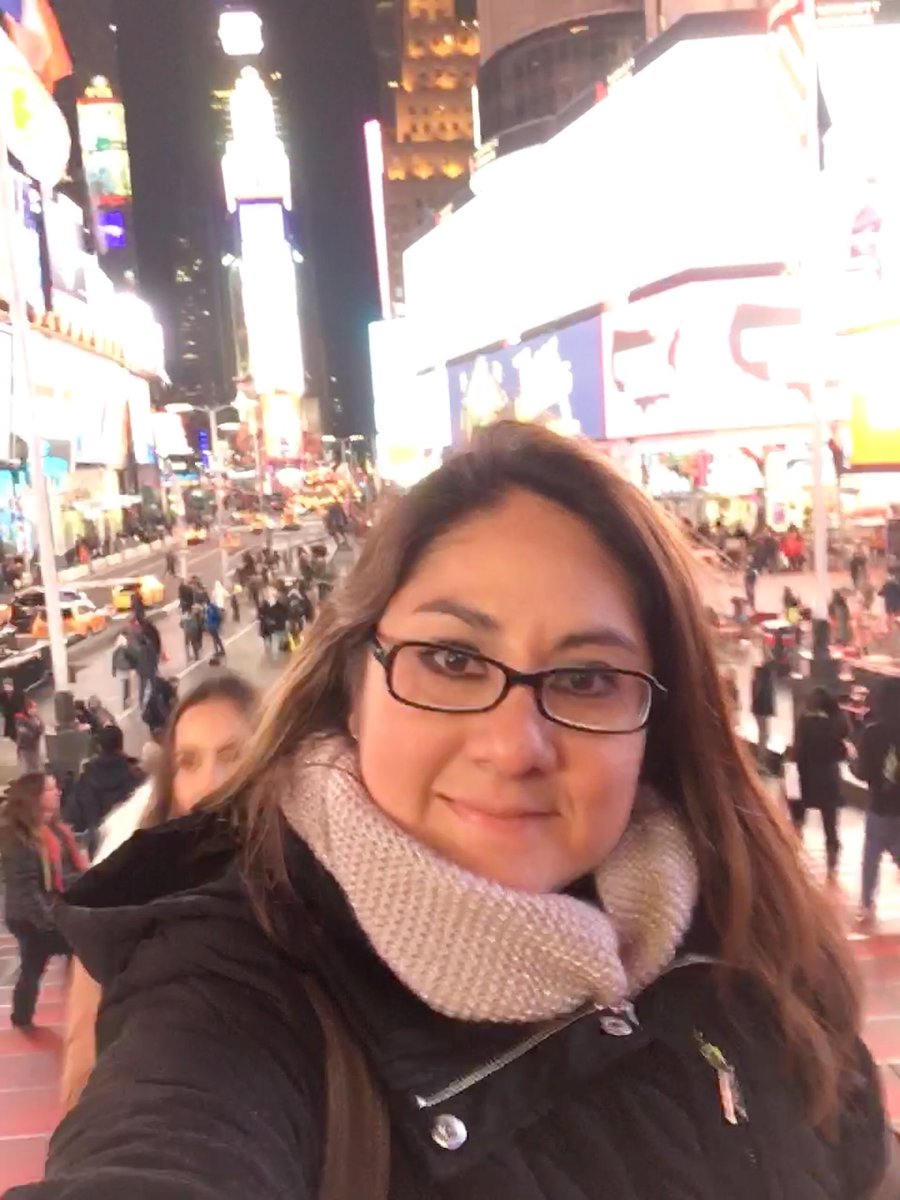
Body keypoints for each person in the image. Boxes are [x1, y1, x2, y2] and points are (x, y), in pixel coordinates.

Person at [24, 425, 888, 1200]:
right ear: (353, 688)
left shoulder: (749, 947)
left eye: (586, 679)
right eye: (450, 660)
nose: (513, 747)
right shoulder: (231, 987)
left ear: (654, 726)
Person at [61, 673, 258, 1111]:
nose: (210, 781)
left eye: (232, 755)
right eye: (188, 762)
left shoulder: (315, 882)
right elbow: (87, 1063)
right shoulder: (125, 903)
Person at [0, 773, 87, 1028]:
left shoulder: (56, 830)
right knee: (74, 952)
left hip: (51, 908)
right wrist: (50, 923)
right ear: (34, 796)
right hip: (29, 915)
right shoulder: (17, 836)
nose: (58, 792)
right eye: (50, 789)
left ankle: (22, 1016)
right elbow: (25, 887)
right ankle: (78, 1013)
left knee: (33, 965)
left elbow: (64, 874)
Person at [853, 678, 900, 931]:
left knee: (871, 858)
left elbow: (862, 771)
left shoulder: (871, 732)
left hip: (878, 805)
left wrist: (852, 761)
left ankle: (866, 904)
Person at [792, 686, 848, 882]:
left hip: (805, 778)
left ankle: (794, 855)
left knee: (798, 820)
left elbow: (797, 751)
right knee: (830, 826)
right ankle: (832, 865)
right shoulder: (834, 725)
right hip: (828, 782)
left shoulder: (803, 723)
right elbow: (841, 752)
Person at [65, 725, 145, 857]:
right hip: (131, 843)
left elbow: (75, 816)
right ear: (121, 744)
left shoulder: (87, 777)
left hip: (99, 845)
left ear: (100, 747)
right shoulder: (136, 775)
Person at [750, 647, 776, 766]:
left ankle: (762, 758)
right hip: (762, 706)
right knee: (764, 734)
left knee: (764, 733)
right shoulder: (763, 673)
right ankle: (761, 759)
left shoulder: (761, 673)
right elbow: (758, 690)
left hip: (761, 706)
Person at [15, 698, 45, 774]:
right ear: (28, 709)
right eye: (33, 708)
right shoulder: (21, 718)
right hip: (26, 747)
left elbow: (42, 726)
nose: (35, 710)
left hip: (35, 746)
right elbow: (22, 731)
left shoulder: (36, 717)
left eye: (35, 708)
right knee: (27, 768)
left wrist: (40, 729)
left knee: (36, 766)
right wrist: (33, 734)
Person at [111, 633, 137, 709]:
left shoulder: (119, 646)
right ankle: (126, 700)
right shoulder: (123, 645)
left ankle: (126, 700)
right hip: (123, 667)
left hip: (123, 666)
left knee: (126, 683)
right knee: (126, 683)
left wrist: (113, 669)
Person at [1, 675, 25, 742]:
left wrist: (21, 712)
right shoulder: (2, 695)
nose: (6, 688)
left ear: (11, 685)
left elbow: (22, 703)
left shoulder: (18, 694)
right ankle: (7, 736)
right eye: (5, 686)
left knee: (16, 726)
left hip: (17, 713)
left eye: (7, 685)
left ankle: (16, 737)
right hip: (7, 713)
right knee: (8, 725)